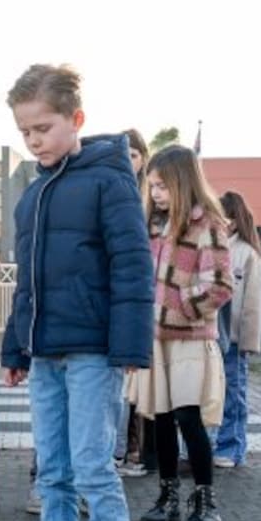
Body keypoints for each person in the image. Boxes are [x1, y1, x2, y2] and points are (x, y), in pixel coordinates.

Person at [0, 64, 152, 521]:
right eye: (24, 132)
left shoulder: (109, 180)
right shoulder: (32, 196)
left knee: (92, 466)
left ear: (76, 119)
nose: (33, 140)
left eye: (42, 128)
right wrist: (14, 347)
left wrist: (131, 345)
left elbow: (132, 266)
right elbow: (28, 283)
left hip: (93, 351)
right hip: (44, 356)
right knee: (54, 472)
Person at [132, 145, 233, 521]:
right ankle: (168, 496)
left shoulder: (207, 224)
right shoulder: (151, 227)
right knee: (160, 419)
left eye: (162, 186)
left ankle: (206, 503)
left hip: (190, 338)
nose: (155, 193)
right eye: (152, 186)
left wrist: (179, 312)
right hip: (155, 340)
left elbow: (220, 286)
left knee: (189, 418)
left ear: (182, 182)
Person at [212, 191, 261, 469]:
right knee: (213, 395)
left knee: (233, 394)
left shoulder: (247, 253)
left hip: (232, 338)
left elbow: (253, 303)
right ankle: (216, 444)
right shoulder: (210, 247)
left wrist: (248, 341)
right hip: (211, 337)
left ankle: (231, 448)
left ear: (233, 220)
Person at [115, 128, 151, 479]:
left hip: (148, 300)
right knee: (123, 388)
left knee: (142, 388)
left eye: (135, 154)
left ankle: (138, 452)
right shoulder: (112, 192)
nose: (129, 161)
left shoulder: (149, 200)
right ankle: (120, 450)